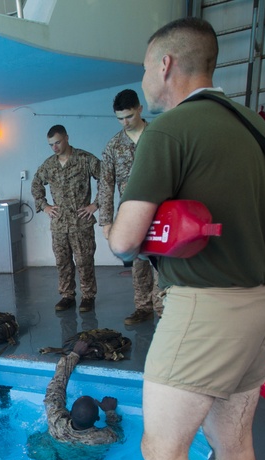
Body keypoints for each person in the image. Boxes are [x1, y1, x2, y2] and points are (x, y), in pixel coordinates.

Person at [107, 18, 265, 460]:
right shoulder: (255, 129)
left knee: (163, 449)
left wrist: (112, 226)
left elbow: (126, 241)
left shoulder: (169, 131)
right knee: (233, 439)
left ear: (164, 66)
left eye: (143, 67)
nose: (142, 78)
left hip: (206, 311)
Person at [98, 89, 162, 325]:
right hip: (131, 215)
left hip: (161, 210)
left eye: (129, 116)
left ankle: (163, 307)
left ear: (140, 110)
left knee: (163, 262)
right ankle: (143, 307)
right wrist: (106, 221)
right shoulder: (114, 146)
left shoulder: (158, 134)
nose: (125, 122)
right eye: (120, 118)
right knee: (139, 262)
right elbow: (106, 184)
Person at [31, 125, 102, 313]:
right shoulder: (49, 165)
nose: (54, 147)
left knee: (84, 261)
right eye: (51, 145)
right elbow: (36, 183)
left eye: (57, 142)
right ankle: (67, 295)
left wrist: (95, 205)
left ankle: (88, 296)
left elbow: (107, 179)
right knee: (62, 262)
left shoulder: (85, 159)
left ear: (67, 138)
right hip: (59, 224)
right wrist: (44, 206)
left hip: (81, 222)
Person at [32, 339, 123, 460]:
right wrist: (110, 412)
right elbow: (119, 435)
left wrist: (75, 354)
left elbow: (56, 387)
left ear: (69, 412)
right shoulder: (103, 438)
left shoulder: (56, 421)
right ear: (97, 418)